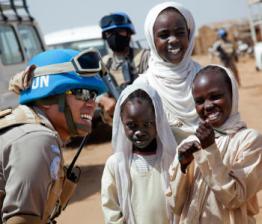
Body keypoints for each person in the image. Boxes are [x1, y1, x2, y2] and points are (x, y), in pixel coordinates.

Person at [0, 49, 107, 223]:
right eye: (82, 93)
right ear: (48, 97)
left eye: (93, 95)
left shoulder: (26, 129)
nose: (91, 103)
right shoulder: (36, 139)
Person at [166, 65, 262, 223]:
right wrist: (182, 166)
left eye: (216, 96)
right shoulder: (191, 143)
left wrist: (210, 149)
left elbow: (234, 198)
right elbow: (175, 204)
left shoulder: (249, 141)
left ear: (233, 94)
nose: (208, 105)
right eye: (199, 101)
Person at [101, 82, 177, 223]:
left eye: (147, 124)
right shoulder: (116, 164)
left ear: (158, 121)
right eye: (131, 125)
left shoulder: (172, 160)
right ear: (122, 122)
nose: (139, 132)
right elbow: (111, 210)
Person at [134, 1, 201, 144]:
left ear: (189, 34)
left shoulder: (205, 77)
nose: (173, 40)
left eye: (180, 33)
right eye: (164, 35)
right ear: (152, 39)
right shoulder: (144, 87)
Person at [98, 12, 150, 124]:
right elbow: (94, 90)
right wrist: (103, 99)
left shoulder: (144, 56)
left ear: (129, 33)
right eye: (109, 33)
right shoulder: (103, 63)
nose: (115, 36)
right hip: (120, 125)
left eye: (120, 32)